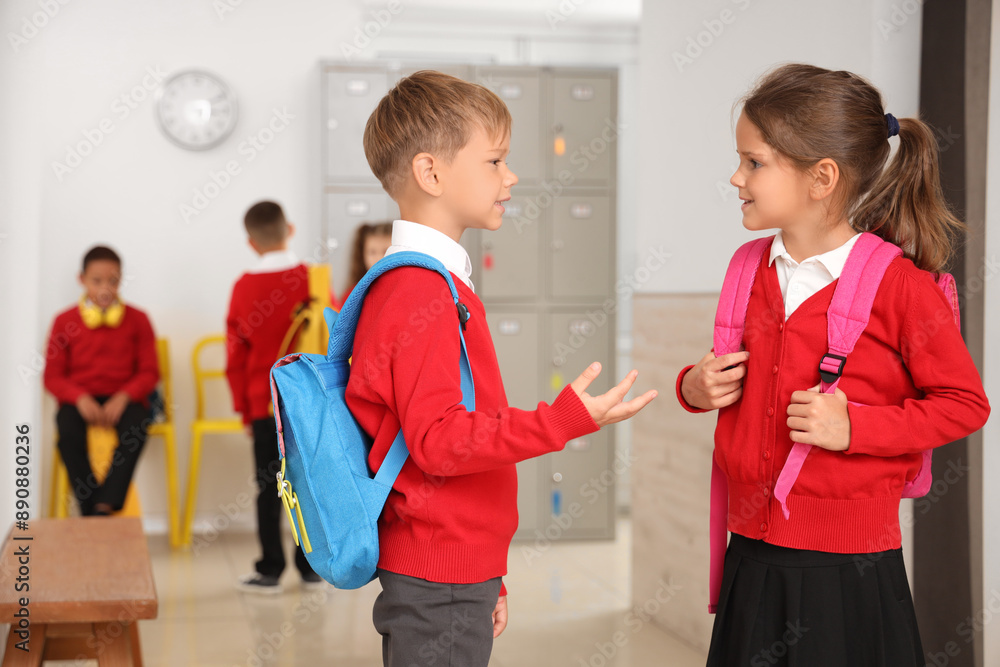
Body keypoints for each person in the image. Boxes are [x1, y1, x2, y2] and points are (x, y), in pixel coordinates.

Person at [677, 63, 991, 665]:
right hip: (750, 549)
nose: (735, 177)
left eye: (754, 162)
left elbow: (964, 405)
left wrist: (856, 427)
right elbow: (730, 381)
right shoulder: (747, 268)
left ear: (822, 177)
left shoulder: (900, 286)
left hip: (850, 566)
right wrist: (694, 387)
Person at [346, 70, 658, 667]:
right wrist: (561, 420)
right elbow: (438, 442)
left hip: (453, 570)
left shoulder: (432, 282)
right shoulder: (420, 292)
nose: (510, 177)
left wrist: (487, 571)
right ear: (430, 172)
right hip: (440, 580)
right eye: (494, 161)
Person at [225, 200, 322, 593]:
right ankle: (312, 567)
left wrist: (245, 412)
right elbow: (331, 338)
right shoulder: (313, 280)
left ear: (251, 242)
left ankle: (269, 570)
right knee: (309, 485)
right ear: (290, 229)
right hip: (308, 406)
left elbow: (236, 357)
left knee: (269, 487)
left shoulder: (243, 288)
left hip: (265, 405)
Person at [44, 245, 159, 516]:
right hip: (80, 398)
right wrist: (79, 398)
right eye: (97, 281)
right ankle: (94, 506)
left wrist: (124, 396)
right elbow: (52, 376)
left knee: (137, 427)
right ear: (81, 280)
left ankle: (104, 505)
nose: (105, 288)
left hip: (124, 398)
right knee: (67, 431)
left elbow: (150, 372)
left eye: (113, 280)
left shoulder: (139, 319)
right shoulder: (64, 321)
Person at [340, 221, 392, 306]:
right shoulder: (352, 295)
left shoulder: (406, 288)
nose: (378, 258)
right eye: (372, 252)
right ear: (362, 255)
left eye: (386, 251)